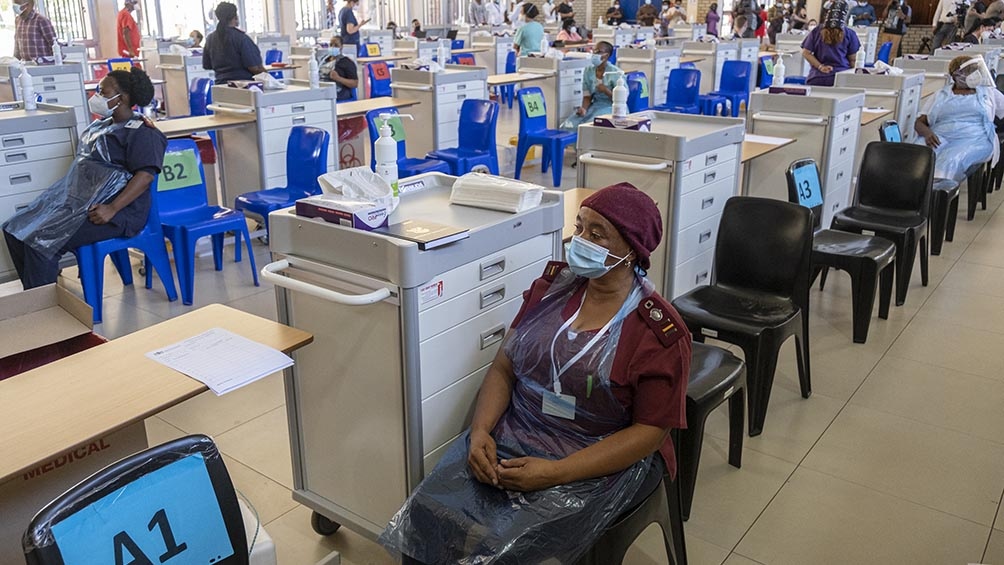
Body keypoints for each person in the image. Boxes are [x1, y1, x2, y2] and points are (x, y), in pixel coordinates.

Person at [378, 182, 691, 565]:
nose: (581, 240)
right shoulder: (551, 291)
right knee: (429, 510)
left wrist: (555, 473)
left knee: (510, 546)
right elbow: (504, 367)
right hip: (520, 428)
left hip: (598, 453)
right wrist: (480, 433)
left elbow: (649, 433)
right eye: (579, 227)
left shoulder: (656, 333)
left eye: (597, 233)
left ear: (632, 250)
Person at [2, 68, 168, 290]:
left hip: (116, 212)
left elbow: (146, 176)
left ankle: (44, 310)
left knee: (40, 241)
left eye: (103, 92)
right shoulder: (103, 125)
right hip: (81, 203)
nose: (96, 97)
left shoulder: (143, 133)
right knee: (15, 228)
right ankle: (36, 296)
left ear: (123, 98)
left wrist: (112, 209)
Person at [915, 55, 1004, 182]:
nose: (975, 74)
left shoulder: (988, 93)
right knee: (918, 155)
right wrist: (927, 133)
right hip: (939, 137)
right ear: (956, 75)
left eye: (975, 70)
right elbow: (919, 122)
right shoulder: (941, 95)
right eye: (970, 71)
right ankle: (911, 193)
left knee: (951, 159)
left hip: (975, 139)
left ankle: (936, 197)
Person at [560, 41, 620, 130]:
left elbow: (620, 100)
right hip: (595, 105)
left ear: (606, 55)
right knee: (569, 125)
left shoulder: (615, 72)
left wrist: (606, 91)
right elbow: (587, 96)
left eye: (599, 52)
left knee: (589, 126)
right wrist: (584, 109)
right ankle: (572, 144)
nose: (595, 54)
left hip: (612, 107)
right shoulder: (588, 71)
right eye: (594, 51)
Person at [202, 2, 266, 82]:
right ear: (235, 16)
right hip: (243, 87)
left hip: (220, 86)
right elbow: (254, 68)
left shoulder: (210, 39)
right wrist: (269, 78)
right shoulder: (242, 38)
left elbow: (207, 65)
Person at [801, 0, 859, 86]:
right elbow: (853, 60)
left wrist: (821, 67)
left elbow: (806, 53)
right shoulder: (850, 34)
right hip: (841, 79)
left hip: (817, 79)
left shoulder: (817, 31)